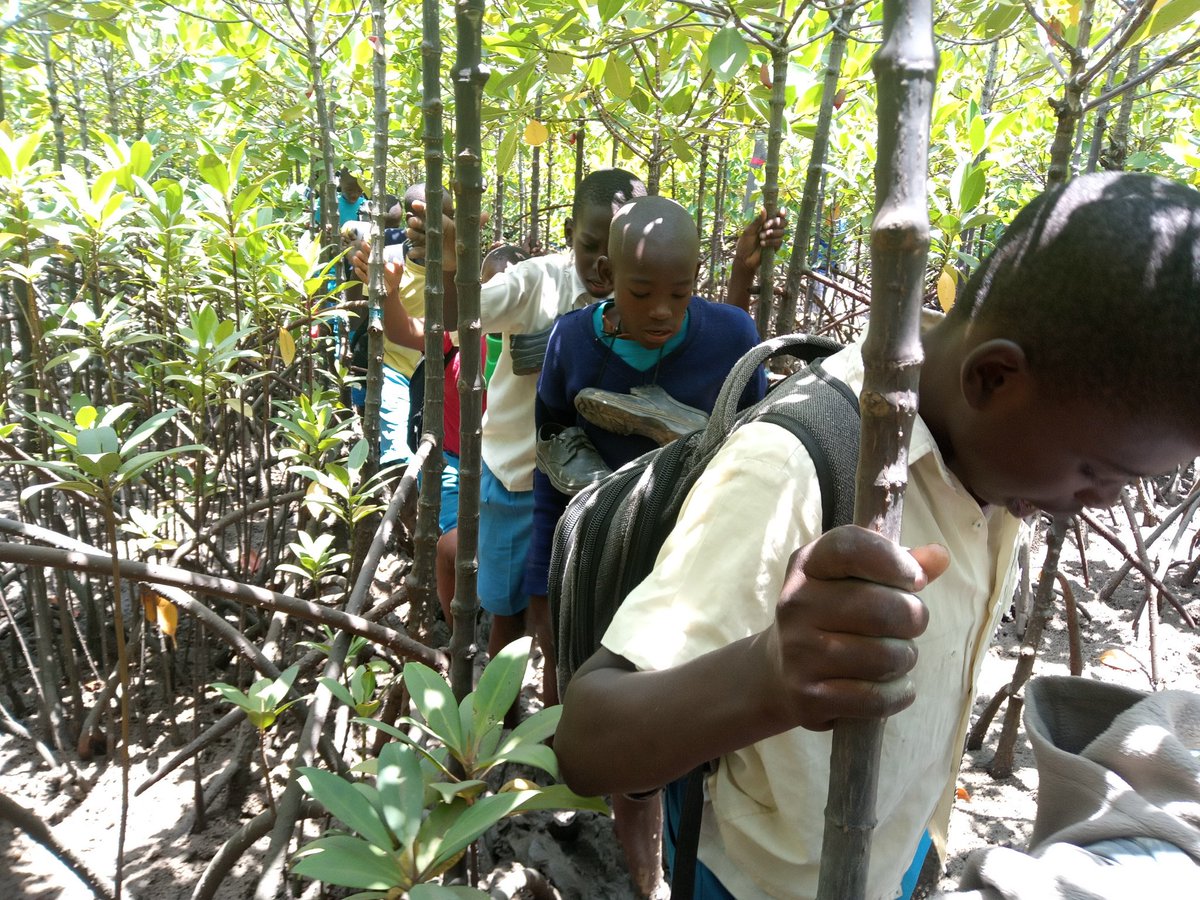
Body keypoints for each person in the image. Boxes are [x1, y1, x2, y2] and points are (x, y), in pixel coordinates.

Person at [553, 171, 1200, 900]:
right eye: (1097, 473)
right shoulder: (793, 468)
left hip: (890, 859)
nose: (1096, 503)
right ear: (993, 379)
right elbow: (589, 739)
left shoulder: (999, 469)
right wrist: (767, 677)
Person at [526, 195, 767, 896]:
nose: (663, 310)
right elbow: (550, 462)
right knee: (632, 745)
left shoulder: (732, 334)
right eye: (642, 293)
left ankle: (689, 864)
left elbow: (761, 451)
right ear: (604, 274)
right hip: (606, 575)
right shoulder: (571, 343)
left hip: (703, 570)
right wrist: (546, 590)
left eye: (680, 293)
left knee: (703, 739)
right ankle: (646, 878)